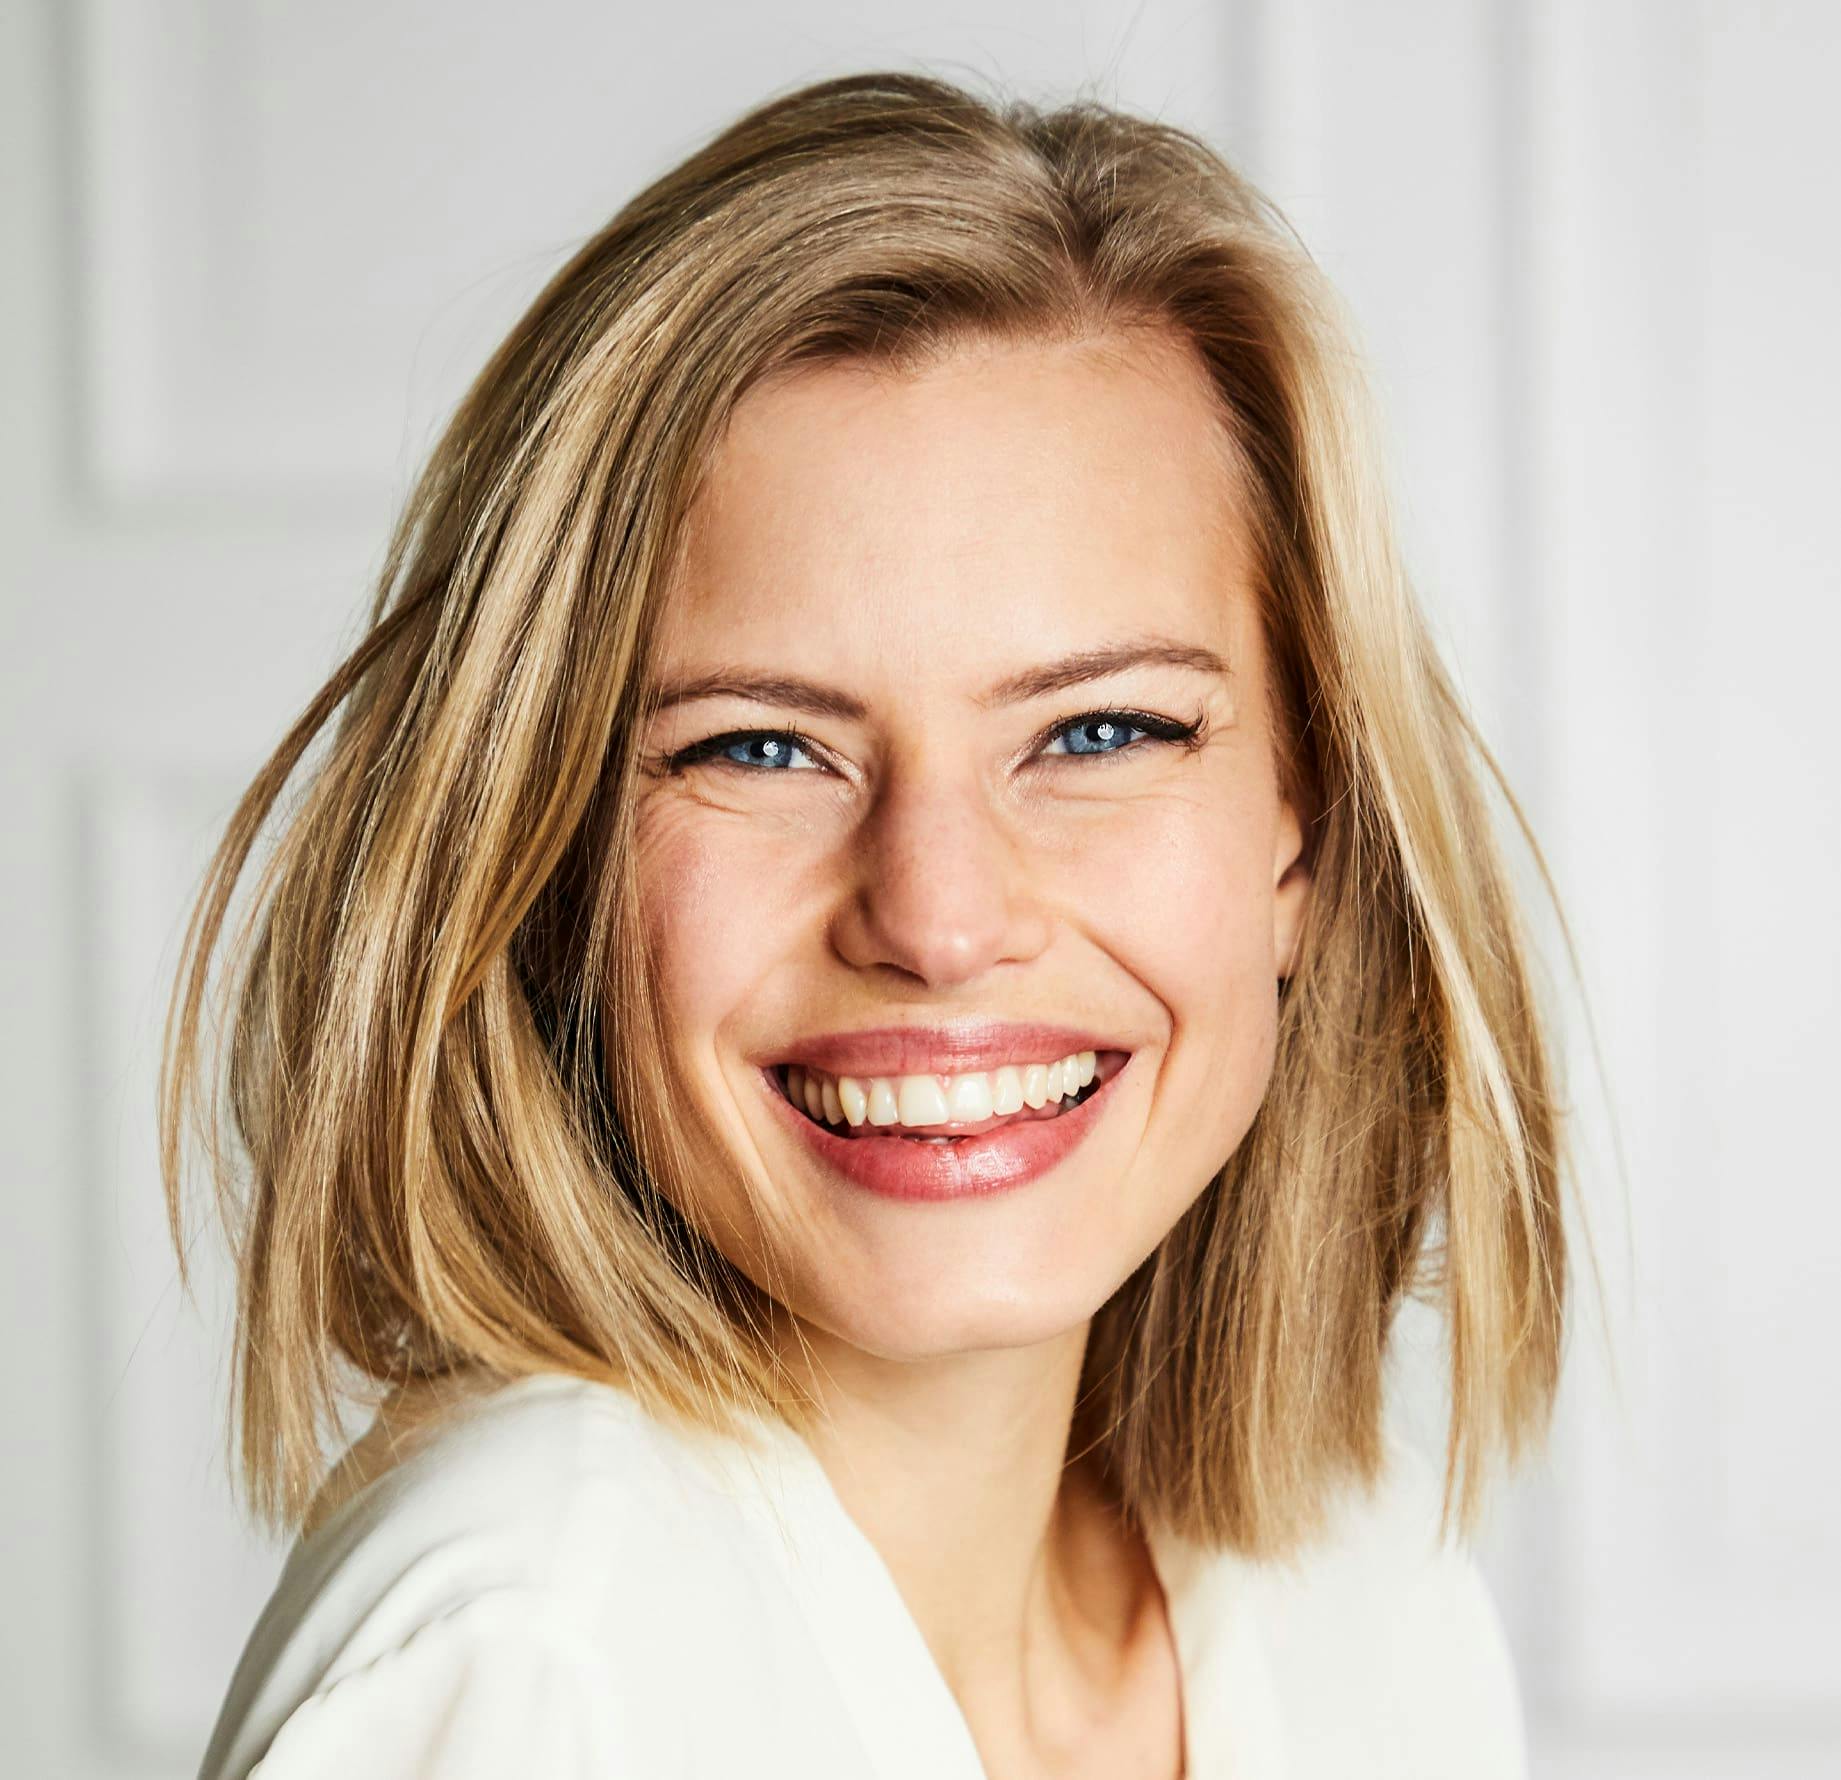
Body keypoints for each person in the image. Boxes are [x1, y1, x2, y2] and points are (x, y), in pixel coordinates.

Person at [165, 68, 1571, 1780]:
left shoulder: (1367, 1611)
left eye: (1099, 732)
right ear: (548, 869)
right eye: (759, 746)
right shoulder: (532, 1662)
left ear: (1305, 839)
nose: (937, 915)